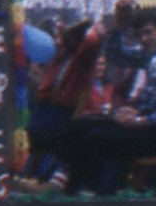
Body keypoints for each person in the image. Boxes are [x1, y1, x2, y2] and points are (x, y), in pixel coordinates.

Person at [62, 4, 156, 195]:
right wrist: (118, 27)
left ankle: (95, 189)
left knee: (96, 135)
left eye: (149, 32)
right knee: (79, 125)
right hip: (147, 124)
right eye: (140, 35)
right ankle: (77, 188)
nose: (144, 39)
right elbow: (117, 56)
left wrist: (141, 120)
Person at [21, 17, 103, 191]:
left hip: (62, 110)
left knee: (51, 137)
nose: (57, 42)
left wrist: (94, 31)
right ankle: (30, 177)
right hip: (45, 107)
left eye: (60, 38)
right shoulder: (57, 60)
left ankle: (53, 180)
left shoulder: (80, 61)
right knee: (32, 132)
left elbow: (91, 43)